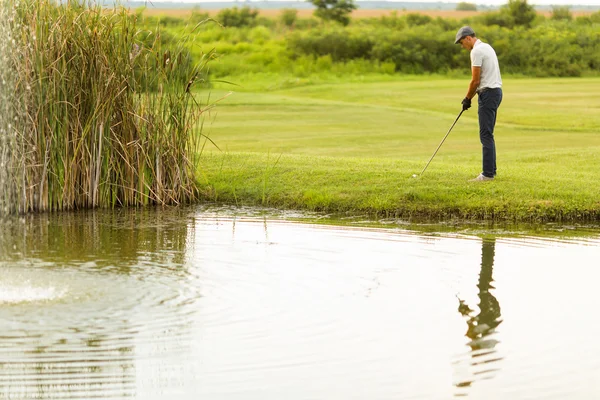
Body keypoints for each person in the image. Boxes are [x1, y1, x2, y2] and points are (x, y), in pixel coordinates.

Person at [455, 26, 503, 182]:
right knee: (488, 133)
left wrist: (467, 99)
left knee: (485, 135)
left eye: (462, 43)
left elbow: (475, 80)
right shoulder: (487, 47)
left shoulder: (476, 51)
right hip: (496, 92)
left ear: (468, 38)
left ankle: (488, 174)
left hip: (488, 94)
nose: (463, 47)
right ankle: (491, 171)